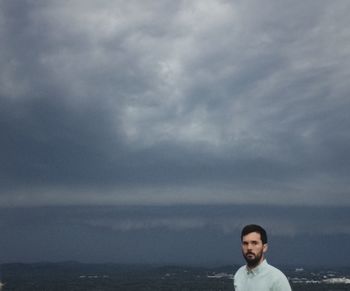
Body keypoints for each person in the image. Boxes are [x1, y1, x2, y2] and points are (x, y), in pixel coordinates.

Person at [233, 224, 292, 291]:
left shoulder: (277, 279)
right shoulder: (239, 274)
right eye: (245, 243)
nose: (249, 248)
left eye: (254, 243)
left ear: (264, 247)